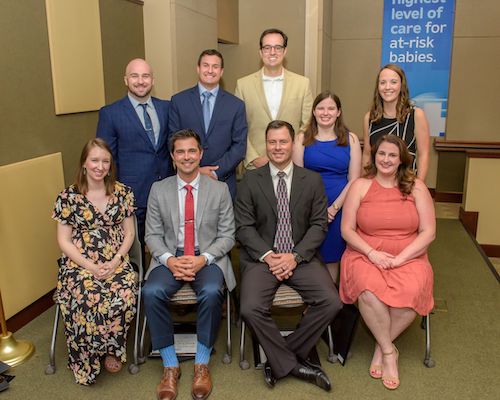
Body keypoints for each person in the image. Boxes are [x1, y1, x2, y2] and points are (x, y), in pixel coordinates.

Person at [236, 120, 342, 392]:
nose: (277, 147)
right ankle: (294, 364)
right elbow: (244, 227)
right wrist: (269, 255)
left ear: (293, 144)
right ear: (266, 144)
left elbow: (320, 224)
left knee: (331, 302)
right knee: (249, 308)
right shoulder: (250, 180)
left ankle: (281, 359)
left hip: (301, 257)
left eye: (283, 141)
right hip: (263, 259)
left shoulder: (312, 180)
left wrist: (295, 256)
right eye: (272, 142)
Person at [143, 129, 235, 400]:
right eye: (180, 151)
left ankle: (201, 364)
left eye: (191, 151)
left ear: (201, 154)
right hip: (170, 257)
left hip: (207, 257)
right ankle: (170, 366)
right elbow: (152, 235)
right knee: (150, 291)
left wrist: (202, 259)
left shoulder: (219, 190)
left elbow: (228, 235)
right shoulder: (158, 189)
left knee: (210, 292)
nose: (186, 157)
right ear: (172, 157)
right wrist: (170, 260)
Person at [340, 135, 435, 390]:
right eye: (382, 154)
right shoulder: (360, 186)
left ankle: (381, 345)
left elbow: (429, 232)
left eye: (392, 155)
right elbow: (347, 230)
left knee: (412, 293)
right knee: (368, 291)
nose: (386, 159)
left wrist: (402, 258)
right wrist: (372, 254)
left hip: (408, 256)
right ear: (374, 156)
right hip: (364, 253)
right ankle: (390, 352)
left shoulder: (416, 187)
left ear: (402, 159)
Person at [52, 138, 137, 385]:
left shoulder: (123, 193)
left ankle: (112, 349)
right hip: (79, 264)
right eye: (95, 160)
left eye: (105, 161)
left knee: (121, 295)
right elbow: (64, 241)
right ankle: (87, 356)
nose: (100, 166)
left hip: (116, 260)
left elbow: (129, 233)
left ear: (110, 166)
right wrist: (89, 266)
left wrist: (116, 260)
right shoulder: (67, 197)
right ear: (84, 163)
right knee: (86, 296)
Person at [96, 58, 173, 251]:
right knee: (134, 250)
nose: (140, 81)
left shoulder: (167, 108)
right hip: (131, 196)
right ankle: (138, 282)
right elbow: (107, 159)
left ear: (153, 80)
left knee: (167, 246)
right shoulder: (110, 113)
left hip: (166, 192)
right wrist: (111, 193)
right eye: (134, 76)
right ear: (125, 80)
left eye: (145, 76)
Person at [293, 91, 362, 283]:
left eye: (331, 108)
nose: (326, 112)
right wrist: (316, 209)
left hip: (340, 206)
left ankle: (329, 304)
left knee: (332, 257)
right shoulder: (301, 139)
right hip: (309, 205)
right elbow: (297, 178)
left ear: (338, 112)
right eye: (321, 108)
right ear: (314, 111)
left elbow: (354, 180)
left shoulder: (351, 140)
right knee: (310, 254)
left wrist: (333, 209)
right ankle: (313, 301)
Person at [169, 49, 247, 199]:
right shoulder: (179, 101)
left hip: (222, 181)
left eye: (215, 66)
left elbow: (240, 146)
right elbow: (172, 140)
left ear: (221, 71)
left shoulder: (236, 105)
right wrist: (195, 169)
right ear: (198, 68)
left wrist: (214, 172)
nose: (210, 70)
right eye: (205, 65)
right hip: (187, 181)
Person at [235, 28, 313, 171]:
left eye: (278, 47)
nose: (272, 52)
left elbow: (307, 125)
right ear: (260, 52)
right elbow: (238, 127)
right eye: (267, 47)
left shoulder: (302, 84)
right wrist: (253, 158)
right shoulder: (243, 85)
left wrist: (290, 152)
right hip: (255, 165)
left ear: (285, 51)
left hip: (291, 163)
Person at [362, 63, 430, 180]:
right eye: (383, 82)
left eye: (393, 82)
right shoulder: (370, 118)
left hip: (405, 184)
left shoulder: (416, 115)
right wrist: (363, 183)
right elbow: (367, 155)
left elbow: (423, 155)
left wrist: (419, 187)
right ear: (378, 87)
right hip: (377, 184)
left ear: (401, 85)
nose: (387, 87)